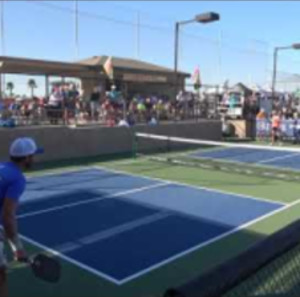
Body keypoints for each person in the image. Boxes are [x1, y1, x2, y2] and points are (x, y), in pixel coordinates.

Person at [0, 137, 43, 296]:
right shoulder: (17, 179)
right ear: (26, 158)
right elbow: (8, 215)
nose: (34, 158)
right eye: (33, 155)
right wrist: (18, 249)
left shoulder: (2, 166)